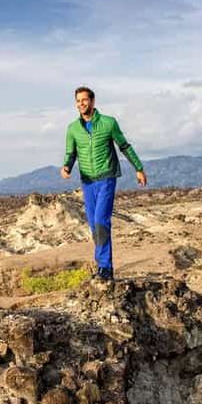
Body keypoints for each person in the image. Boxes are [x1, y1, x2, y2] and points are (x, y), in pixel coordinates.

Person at [61, 86, 147, 281]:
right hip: (87, 181)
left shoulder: (108, 123)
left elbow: (124, 146)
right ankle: (102, 266)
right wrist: (66, 166)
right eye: (78, 101)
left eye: (84, 100)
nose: (81, 104)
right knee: (93, 225)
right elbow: (71, 152)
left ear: (92, 102)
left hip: (106, 177)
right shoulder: (73, 129)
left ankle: (105, 269)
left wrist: (139, 168)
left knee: (101, 221)